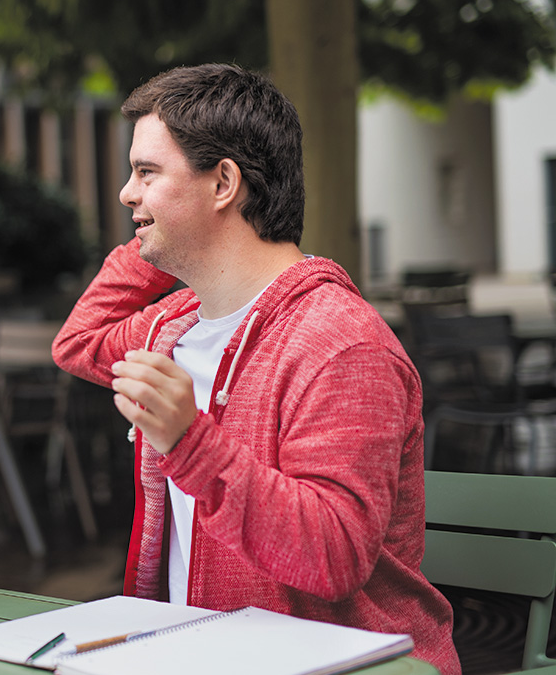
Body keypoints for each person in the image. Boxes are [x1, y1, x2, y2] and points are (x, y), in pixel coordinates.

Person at [51, 64, 459, 675]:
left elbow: (333, 557)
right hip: (206, 654)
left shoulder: (341, 344)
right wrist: (163, 242)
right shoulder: (175, 325)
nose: (125, 193)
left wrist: (190, 442)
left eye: (146, 173)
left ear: (223, 183)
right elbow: (78, 341)